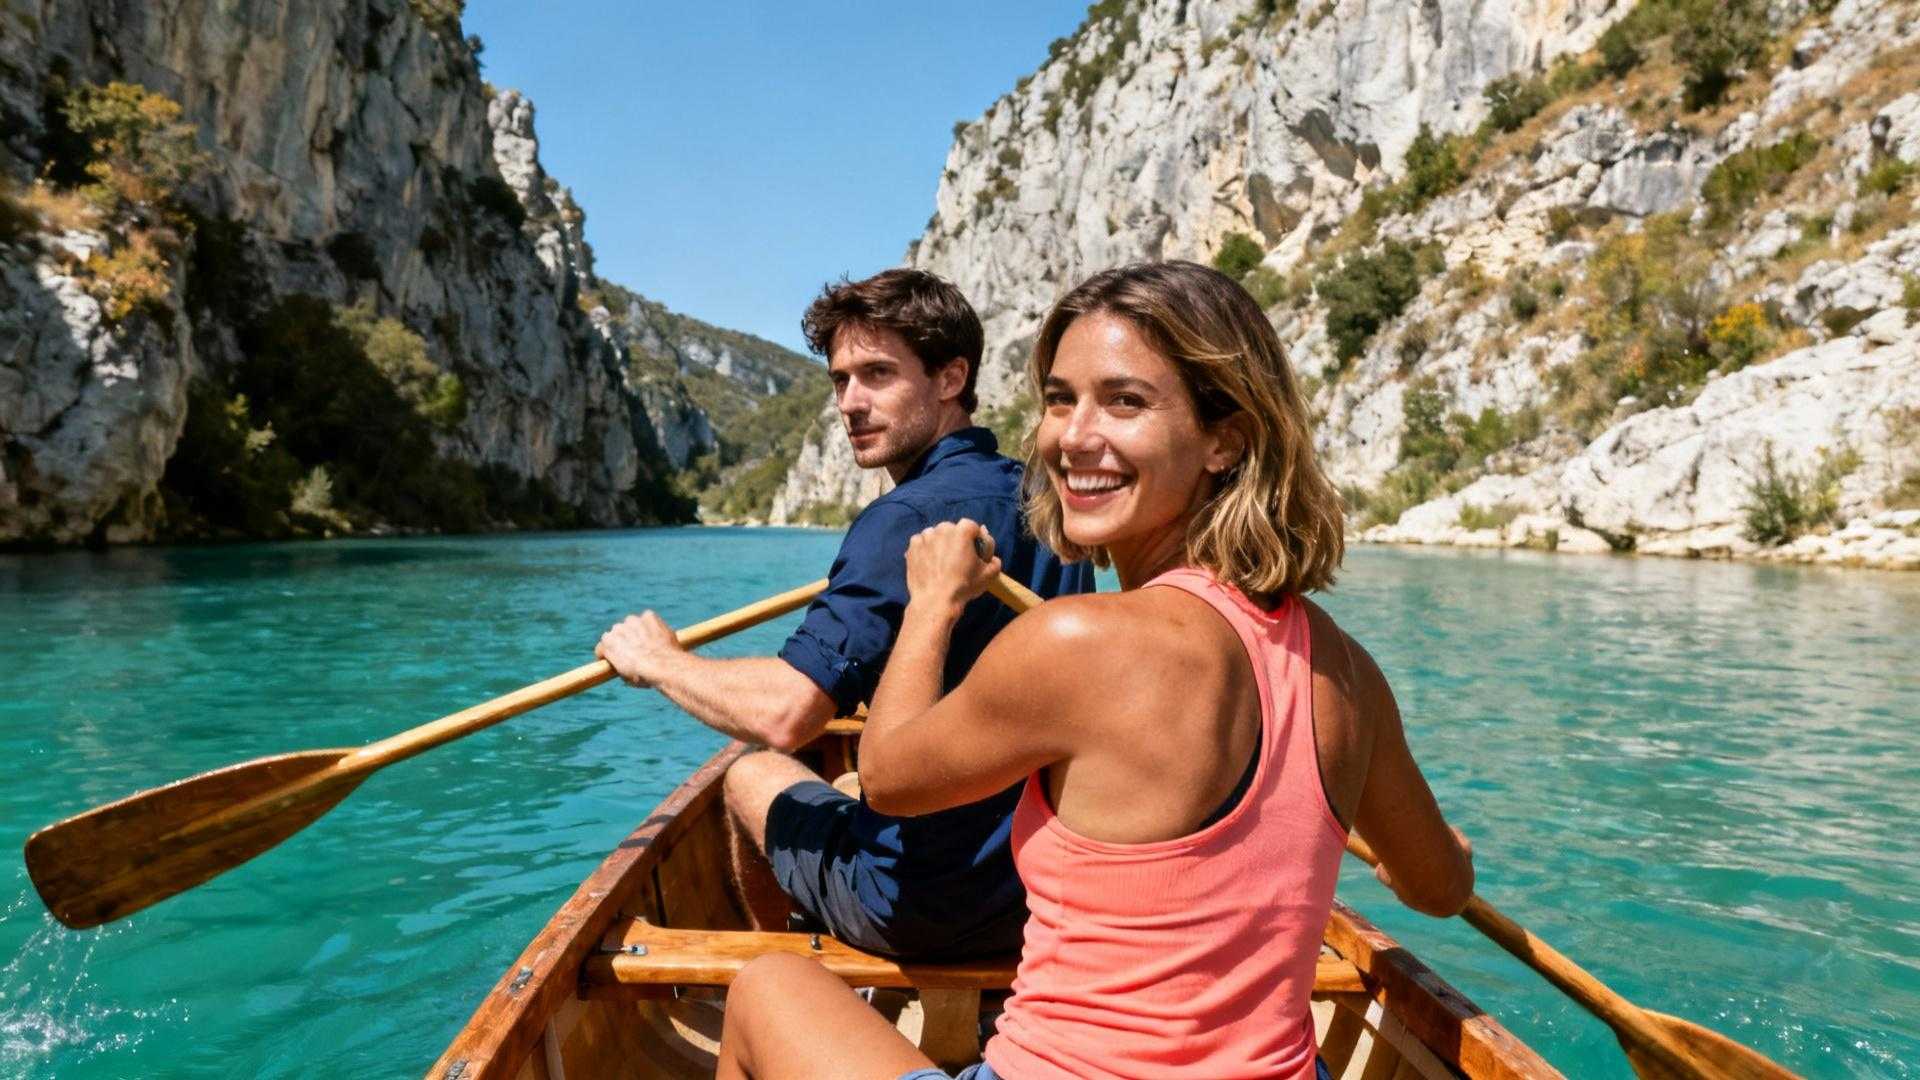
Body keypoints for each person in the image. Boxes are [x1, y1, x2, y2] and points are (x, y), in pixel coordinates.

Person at [711, 261, 1477, 1080]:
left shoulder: (1077, 642)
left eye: (1125, 401)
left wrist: (932, 602)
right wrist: (1422, 851)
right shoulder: (1345, 669)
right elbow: (1439, 887)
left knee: (769, 989)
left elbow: (891, 775)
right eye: (1059, 398)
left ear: (1227, 436)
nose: (1073, 437)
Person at [596, 268, 1093, 961]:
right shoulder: (1043, 499)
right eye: (839, 381)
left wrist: (659, 662)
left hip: (922, 905)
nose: (851, 403)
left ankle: (790, 977)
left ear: (951, 379)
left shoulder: (904, 520)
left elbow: (789, 713)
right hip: (1040, 895)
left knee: (751, 772)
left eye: (878, 374)